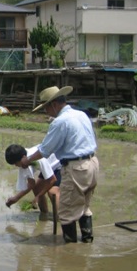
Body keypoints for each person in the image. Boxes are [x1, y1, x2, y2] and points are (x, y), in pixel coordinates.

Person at [17, 86, 98, 243]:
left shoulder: (60, 122)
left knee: (66, 212)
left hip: (76, 168)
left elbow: (45, 150)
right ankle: (87, 242)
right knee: (83, 207)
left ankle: (70, 251)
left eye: (46, 108)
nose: (46, 112)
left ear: (53, 104)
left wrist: (28, 160)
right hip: (92, 163)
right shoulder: (81, 115)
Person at [4, 144, 61, 217]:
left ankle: (60, 219)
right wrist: (16, 198)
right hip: (49, 166)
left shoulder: (39, 159)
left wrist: (38, 196)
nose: (16, 165)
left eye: (15, 163)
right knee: (37, 188)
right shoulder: (23, 159)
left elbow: (52, 180)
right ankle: (44, 215)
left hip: (58, 164)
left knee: (52, 192)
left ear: (23, 157)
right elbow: (31, 184)